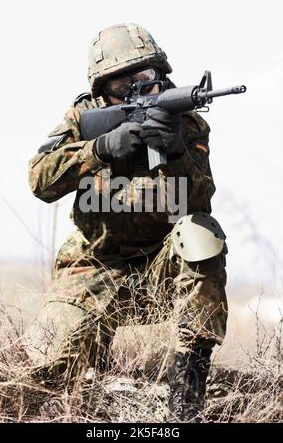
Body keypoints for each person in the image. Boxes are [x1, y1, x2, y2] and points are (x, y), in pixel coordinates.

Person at [26, 22, 228, 422]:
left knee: (201, 234)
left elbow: (200, 202)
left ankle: (186, 394)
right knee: (49, 368)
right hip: (95, 263)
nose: (141, 89)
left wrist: (174, 153)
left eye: (148, 78)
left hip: (162, 264)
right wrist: (99, 149)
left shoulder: (185, 123)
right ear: (103, 89)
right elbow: (40, 179)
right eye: (125, 84)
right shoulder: (84, 117)